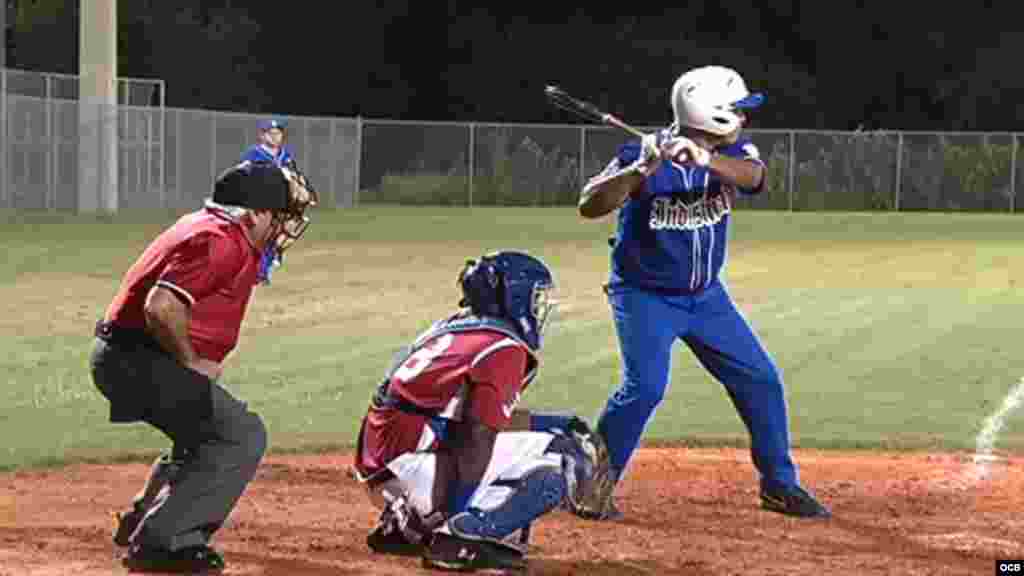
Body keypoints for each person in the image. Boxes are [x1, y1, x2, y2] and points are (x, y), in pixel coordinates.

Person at [575, 65, 830, 521]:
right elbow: (589, 205)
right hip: (644, 295)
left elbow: (753, 176)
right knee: (646, 387)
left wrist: (704, 159)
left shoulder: (731, 151)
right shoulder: (641, 151)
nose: (744, 119)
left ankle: (779, 486)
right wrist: (640, 169)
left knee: (761, 380)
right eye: (737, 110)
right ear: (708, 113)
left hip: (706, 297)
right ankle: (591, 487)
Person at [91, 160, 317, 573]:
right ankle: (164, 543)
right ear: (255, 214)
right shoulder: (221, 240)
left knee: (200, 434)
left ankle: (146, 518)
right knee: (240, 435)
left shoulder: (207, 225)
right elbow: (161, 307)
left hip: (127, 356)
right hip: (138, 360)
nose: (284, 227)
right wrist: (189, 361)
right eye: (280, 216)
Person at [351, 250, 607, 572]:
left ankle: (410, 525)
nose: (540, 307)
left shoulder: (452, 329)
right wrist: (455, 514)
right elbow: (477, 434)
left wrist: (552, 422)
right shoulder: (502, 346)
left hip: (384, 465)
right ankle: (458, 539)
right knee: (559, 460)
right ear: (513, 297)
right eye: (535, 297)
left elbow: (458, 413)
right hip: (412, 468)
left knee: (549, 437)